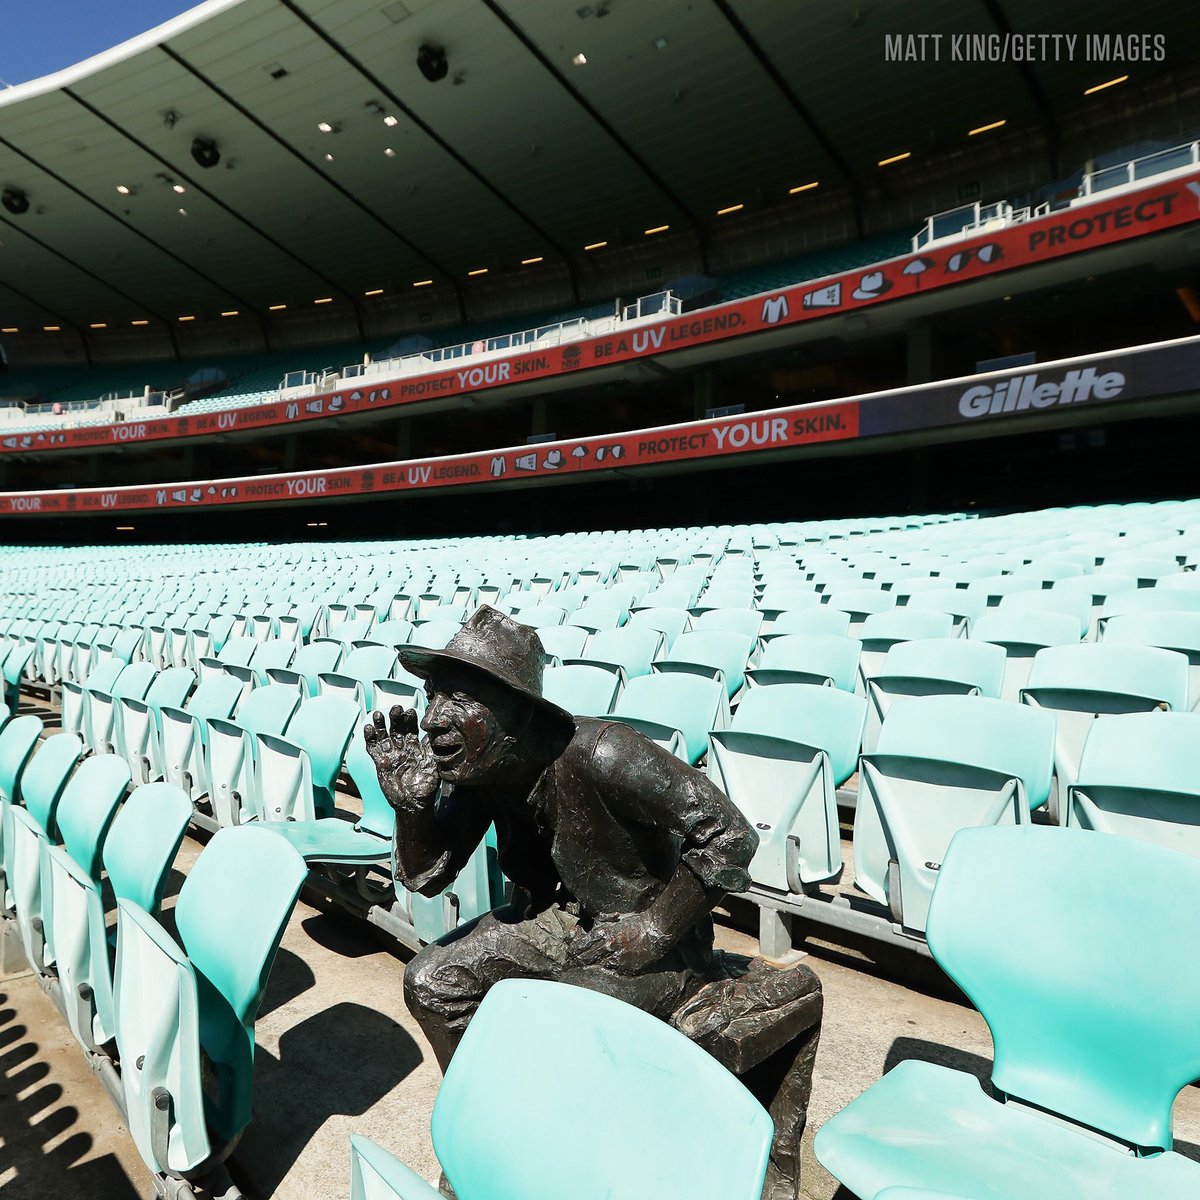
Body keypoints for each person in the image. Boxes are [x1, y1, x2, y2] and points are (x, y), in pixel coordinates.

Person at [364, 603, 759, 1071]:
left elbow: (731, 834)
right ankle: (486, 1113)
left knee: (560, 1018)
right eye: (432, 696)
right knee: (429, 982)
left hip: (649, 938)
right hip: (551, 923)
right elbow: (425, 878)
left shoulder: (604, 752)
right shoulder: (481, 767)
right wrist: (412, 812)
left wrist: (651, 930)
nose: (431, 719)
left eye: (460, 698)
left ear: (520, 713)